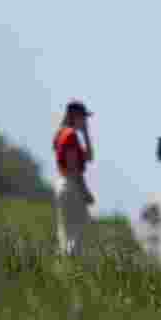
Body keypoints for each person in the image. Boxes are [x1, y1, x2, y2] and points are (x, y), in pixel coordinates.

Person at [53, 100, 95, 256]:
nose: (85, 121)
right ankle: (71, 264)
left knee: (67, 233)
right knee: (79, 232)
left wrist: (85, 134)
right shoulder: (70, 135)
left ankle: (65, 265)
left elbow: (89, 157)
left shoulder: (61, 134)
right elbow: (73, 167)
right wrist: (84, 191)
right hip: (71, 185)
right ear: (75, 116)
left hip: (63, 184)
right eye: (83, 117)